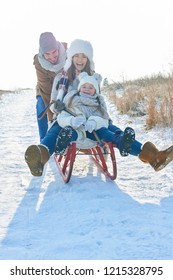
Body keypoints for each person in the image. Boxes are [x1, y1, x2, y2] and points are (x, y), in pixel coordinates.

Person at [54, 72, 173, 172]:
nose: (87, 89)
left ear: (95, 90)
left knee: (119, 132)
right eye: (84, 87)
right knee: (108, 133)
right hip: (89, 128)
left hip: (101, 123)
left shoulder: (98, 100)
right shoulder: (73, 98)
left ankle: (154, 156)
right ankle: (151, 157)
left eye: (91, 87)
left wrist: (97, 121)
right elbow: (67, 112)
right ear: (79, 87)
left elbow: (104, 116)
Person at [25, 38, 101, 176]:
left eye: (84, 56)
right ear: (70, 57)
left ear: (89, 59)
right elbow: (53, 101)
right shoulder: (61, 77)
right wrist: (57, 107)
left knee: (102, 128)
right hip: (66, 116)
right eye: (76, 55)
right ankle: (40, 155)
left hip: (86, 118)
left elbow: (98, 102)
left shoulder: (94, 78)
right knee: (55, 129)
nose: (79, 59)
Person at [34, 32, 67, 141]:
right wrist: (53, 118)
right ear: (42, 53)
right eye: (47, 54)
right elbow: (47, 92)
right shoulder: (39, 62)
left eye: (54, 52)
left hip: (64, 86)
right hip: (45, 89)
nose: (52, 57)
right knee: (41, 105)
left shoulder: (68, 52)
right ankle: (45, 141)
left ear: (58, 47)